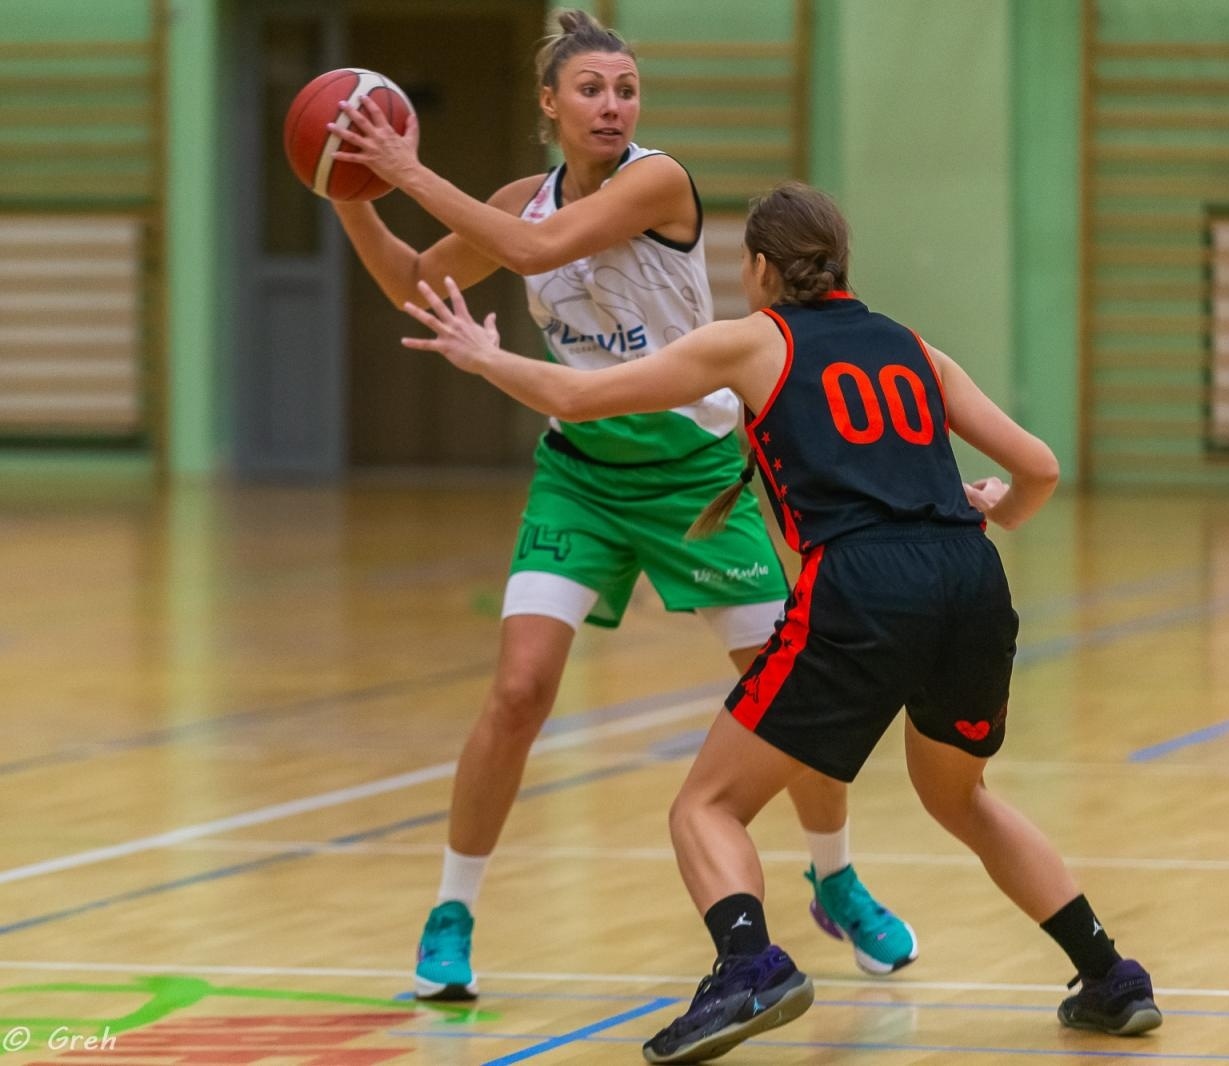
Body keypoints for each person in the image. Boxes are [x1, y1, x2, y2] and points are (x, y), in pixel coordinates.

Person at [399, 181, 1164, 1063]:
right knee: (963, 797)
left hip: (866, 587)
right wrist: (995, 506)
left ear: (760, 268)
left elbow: (577, 399)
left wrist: (480, 354)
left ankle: (748, 964)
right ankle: (1109, 975)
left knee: (706, 807)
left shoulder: (750, 343)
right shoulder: (913, 348)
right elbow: (1039, 467)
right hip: (970, 579)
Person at [319, 9, 916, 1001]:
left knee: (789, 697)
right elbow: (417, 284)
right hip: (584, 472)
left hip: (696, 477)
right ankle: (452, 910)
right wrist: (346, 190)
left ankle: (836, 873)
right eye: (591, 89)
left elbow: (533, 252)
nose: (612, 105)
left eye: (626, 88)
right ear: (548, 106)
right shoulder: (521, 198)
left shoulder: (658, 180)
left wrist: (407, 170)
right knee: (517, 693)